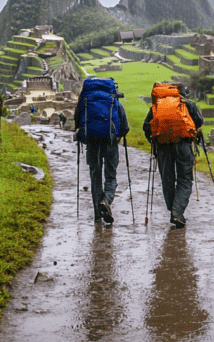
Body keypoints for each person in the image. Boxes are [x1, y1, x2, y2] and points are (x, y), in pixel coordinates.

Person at [143, 83, 203, 229]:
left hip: (163, 146)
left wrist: (153, 142)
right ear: (181, 94)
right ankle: (177, 212)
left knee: (167, 179)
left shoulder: (156, 106)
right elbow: (199, 121)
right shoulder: (187, 105)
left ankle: (174, 210)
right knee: (185, 179)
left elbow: (146, 127)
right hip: (183, 145)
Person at [75, 78, 129, 224]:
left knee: (95, 177)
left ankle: (98, 214)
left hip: (92, 143)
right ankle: (106, 201)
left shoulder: (86, 102)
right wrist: (118, 137)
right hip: (111, 143)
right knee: (111, 176)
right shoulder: (114, 102)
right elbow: (125, 127)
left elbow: (77, 121)